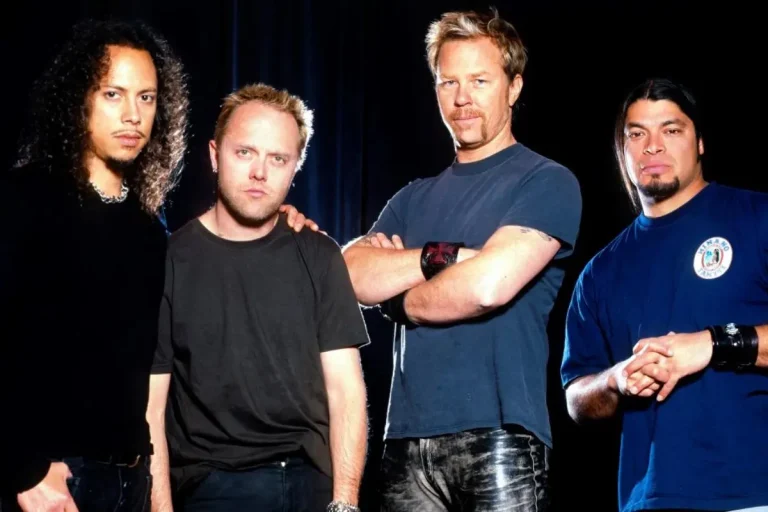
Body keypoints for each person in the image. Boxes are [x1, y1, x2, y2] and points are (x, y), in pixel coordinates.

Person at [341, 8, 581, 511]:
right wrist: (442, 256)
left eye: (479, 80)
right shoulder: (412, 197)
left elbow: (487, 287)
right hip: (404, 440)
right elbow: (349, 275)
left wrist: (400, 302)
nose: (462, 97)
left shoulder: (546, 181)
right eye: (448, 81)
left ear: (514, 87)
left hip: (500, 437)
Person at [146, 83, 370, 512]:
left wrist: (344, 504)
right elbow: (151, 410)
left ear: (295, 168)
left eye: (278, 158)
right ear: (215, 155)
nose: (259, 173)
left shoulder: (320, 254)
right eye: (244, 152)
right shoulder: (170, 261)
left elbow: (346, 392)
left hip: (313, 484)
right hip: (215, 486)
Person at [0, 18, 189, 512]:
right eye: (113, 94)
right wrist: (23, 470)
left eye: (146, 98)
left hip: (130, 480)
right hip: (54, 480)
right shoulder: (26, 200)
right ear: (79, 99)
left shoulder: (149, 230)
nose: (133, 115)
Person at [561, 78, 768, 512]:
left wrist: (714, 344)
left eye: (671, 130)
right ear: (622, 151)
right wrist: (615, 380)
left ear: (701, 142)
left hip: (752, 494)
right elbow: (576, 398)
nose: (652, 146)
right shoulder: (600, 272)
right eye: (636, 134)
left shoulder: (757, 217)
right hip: (647, 500)